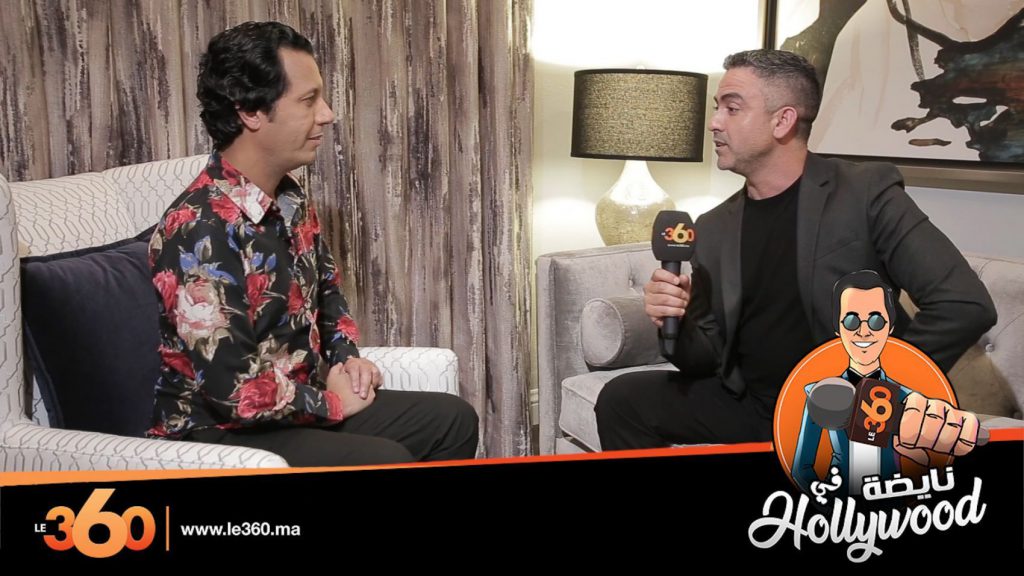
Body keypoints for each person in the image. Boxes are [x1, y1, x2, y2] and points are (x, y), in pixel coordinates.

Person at [594, 49, 996, 450]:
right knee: (622, 400)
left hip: (843, 412)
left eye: (732, 108)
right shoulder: (714, 227)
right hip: (754, 406)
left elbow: (964, 304)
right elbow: (707, 357)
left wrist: (880, 392)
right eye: (717, 108)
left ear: (782, 121)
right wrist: (675, 318)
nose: (714, 122)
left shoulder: (865, 194)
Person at [147, 21, 477, 466]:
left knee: (452, 419)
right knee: (382, 457)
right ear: (251, 111)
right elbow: (234, 392)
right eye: (308, 100)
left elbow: (327, 294)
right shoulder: (196, 228)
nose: (327, 114)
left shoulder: (291, 198)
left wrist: (347, 359)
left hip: (295, 409)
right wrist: (332, 404)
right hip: (218, 433)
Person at [791, 271, 980, 497]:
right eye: (851, 321)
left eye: (876, 321)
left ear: (890, 327)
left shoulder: (910, 399)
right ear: (837, 329)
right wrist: (826, 500)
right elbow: (802, 468)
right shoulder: (821, 395)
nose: (863, 332)